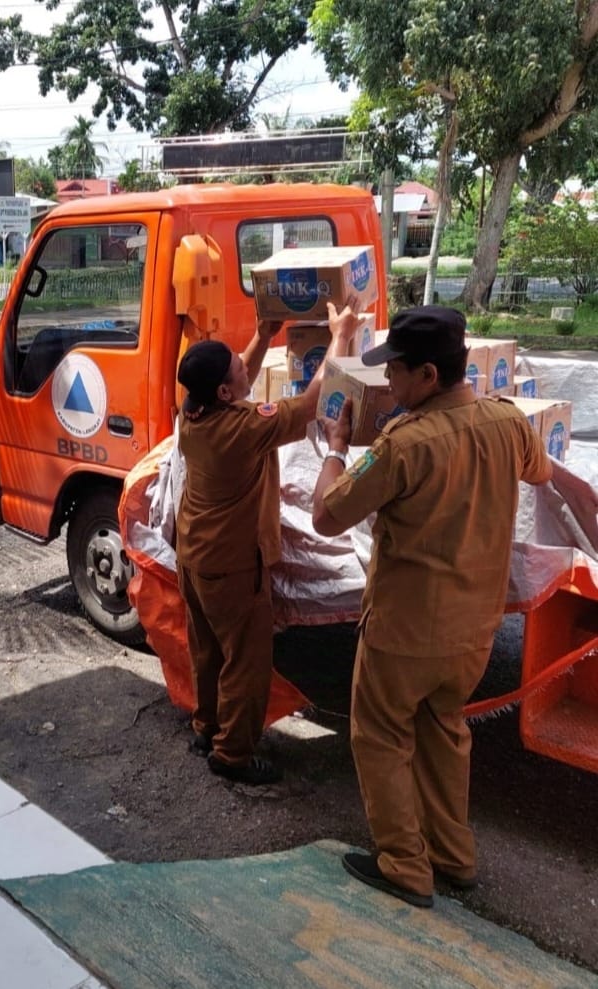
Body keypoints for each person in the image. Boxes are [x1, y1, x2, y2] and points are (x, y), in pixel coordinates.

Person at [311, 304, 582, 908]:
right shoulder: (507, 423)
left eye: (397, 373)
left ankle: (405, 865)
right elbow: (541, 471)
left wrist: (334, 448)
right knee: (444, 731)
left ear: (428, 376)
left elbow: (326, 516)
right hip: (473, 628)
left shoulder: (403, 443)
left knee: (380, 736)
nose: (388, 385)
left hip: (405, 629)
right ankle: (454, 857)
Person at [175, 302, 358, 786]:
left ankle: (206, 727)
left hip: (194, 555)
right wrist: (340, 336)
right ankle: (231, 755)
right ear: (225, 390)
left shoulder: (193, 409)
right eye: (237, 364)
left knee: (207, 650)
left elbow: (237, 381)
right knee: (245, 660)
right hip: (232, 565)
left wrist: (262, 335)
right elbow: (314, 401)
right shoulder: (242, 427)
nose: (244, 362)